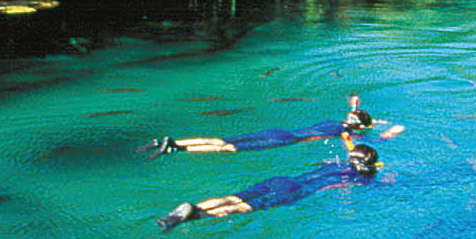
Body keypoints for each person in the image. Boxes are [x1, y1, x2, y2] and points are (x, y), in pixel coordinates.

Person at [157, 135, 383, 231]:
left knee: (231, 199)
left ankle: (195, 206)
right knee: (240, 208)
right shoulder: (360, 178)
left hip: (283, 180)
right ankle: (196, 216)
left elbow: (346, 153)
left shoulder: (335, 163)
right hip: (295, 191)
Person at [142, 94, 402, 157]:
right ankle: (177, 149)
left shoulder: (340, 121)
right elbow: (351, 148)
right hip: (282, 141)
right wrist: (387, 134)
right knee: (227, 149)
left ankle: (175, 141)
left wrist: (360, 108)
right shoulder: (345, 132)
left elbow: (354, 109)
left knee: (223, 139)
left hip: (279, 132)